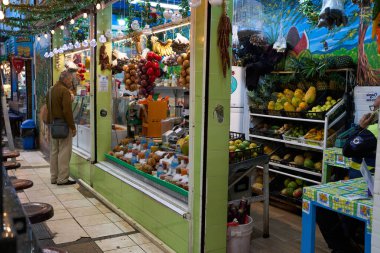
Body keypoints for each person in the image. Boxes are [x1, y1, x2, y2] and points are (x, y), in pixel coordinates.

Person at [316, 96, 380, 253]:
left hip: (364, 187)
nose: (373, 112)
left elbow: (347, 149)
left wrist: (360, 128)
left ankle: (344, 248)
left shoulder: (373, 131)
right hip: (366, 186)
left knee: (324, 208)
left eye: (375, 108)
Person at [47, 71, 76, 185]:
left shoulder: (51, 90)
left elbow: (48, 107)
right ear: (64, 79)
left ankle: (54, 177)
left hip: (54, 124)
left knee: (54, 151)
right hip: (64, 125)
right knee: (64, 151)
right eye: (70, 80)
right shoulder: (64, 91)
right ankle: (63, 179)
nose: (71, 82)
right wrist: (72, 127)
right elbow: (67, 111)